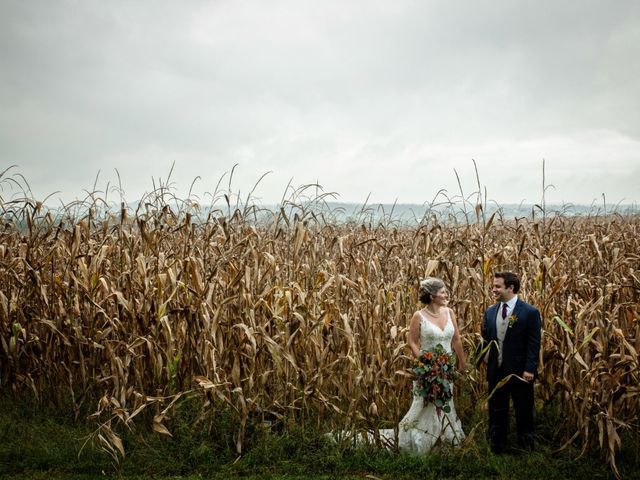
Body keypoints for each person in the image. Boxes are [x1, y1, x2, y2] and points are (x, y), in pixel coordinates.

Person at [376, 276, 467, 453]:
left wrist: (462, 363)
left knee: (445, 401)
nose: (446, 294)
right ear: (432, 296)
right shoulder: (419, 316)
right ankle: (419, 441)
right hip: (427, 370)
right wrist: (426, 362)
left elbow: (456, 339)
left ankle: (445, 439)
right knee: (424, 403)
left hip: (446, 368)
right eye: (442, 292)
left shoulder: (449, 313)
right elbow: (412, 341)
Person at [479, 271, 541, 454]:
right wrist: (483, 358)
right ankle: (497, 447)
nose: (494, 290)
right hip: (496, 371)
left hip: (520, 372)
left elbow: (534, 343)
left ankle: (526, 448)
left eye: (497, 286)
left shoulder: (529, 312)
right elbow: (486, 339)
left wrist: (529, 369)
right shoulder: (490, 312)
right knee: (496, 410)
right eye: (493, 286)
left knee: (524, 410)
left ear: (510, 287)